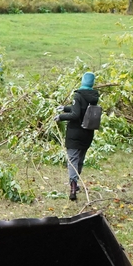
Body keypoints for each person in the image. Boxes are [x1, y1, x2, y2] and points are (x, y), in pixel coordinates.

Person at [57, 71, 100, 201]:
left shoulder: (78, 95)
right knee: (80, 159)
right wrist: (65, 108)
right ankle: (76, 184)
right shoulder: (94, 97)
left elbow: (75, 115)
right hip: (87, 133)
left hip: (75, 133)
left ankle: (73, 186)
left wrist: (60, 117)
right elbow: (81, 110)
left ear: (82, 81)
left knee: (72, 161)